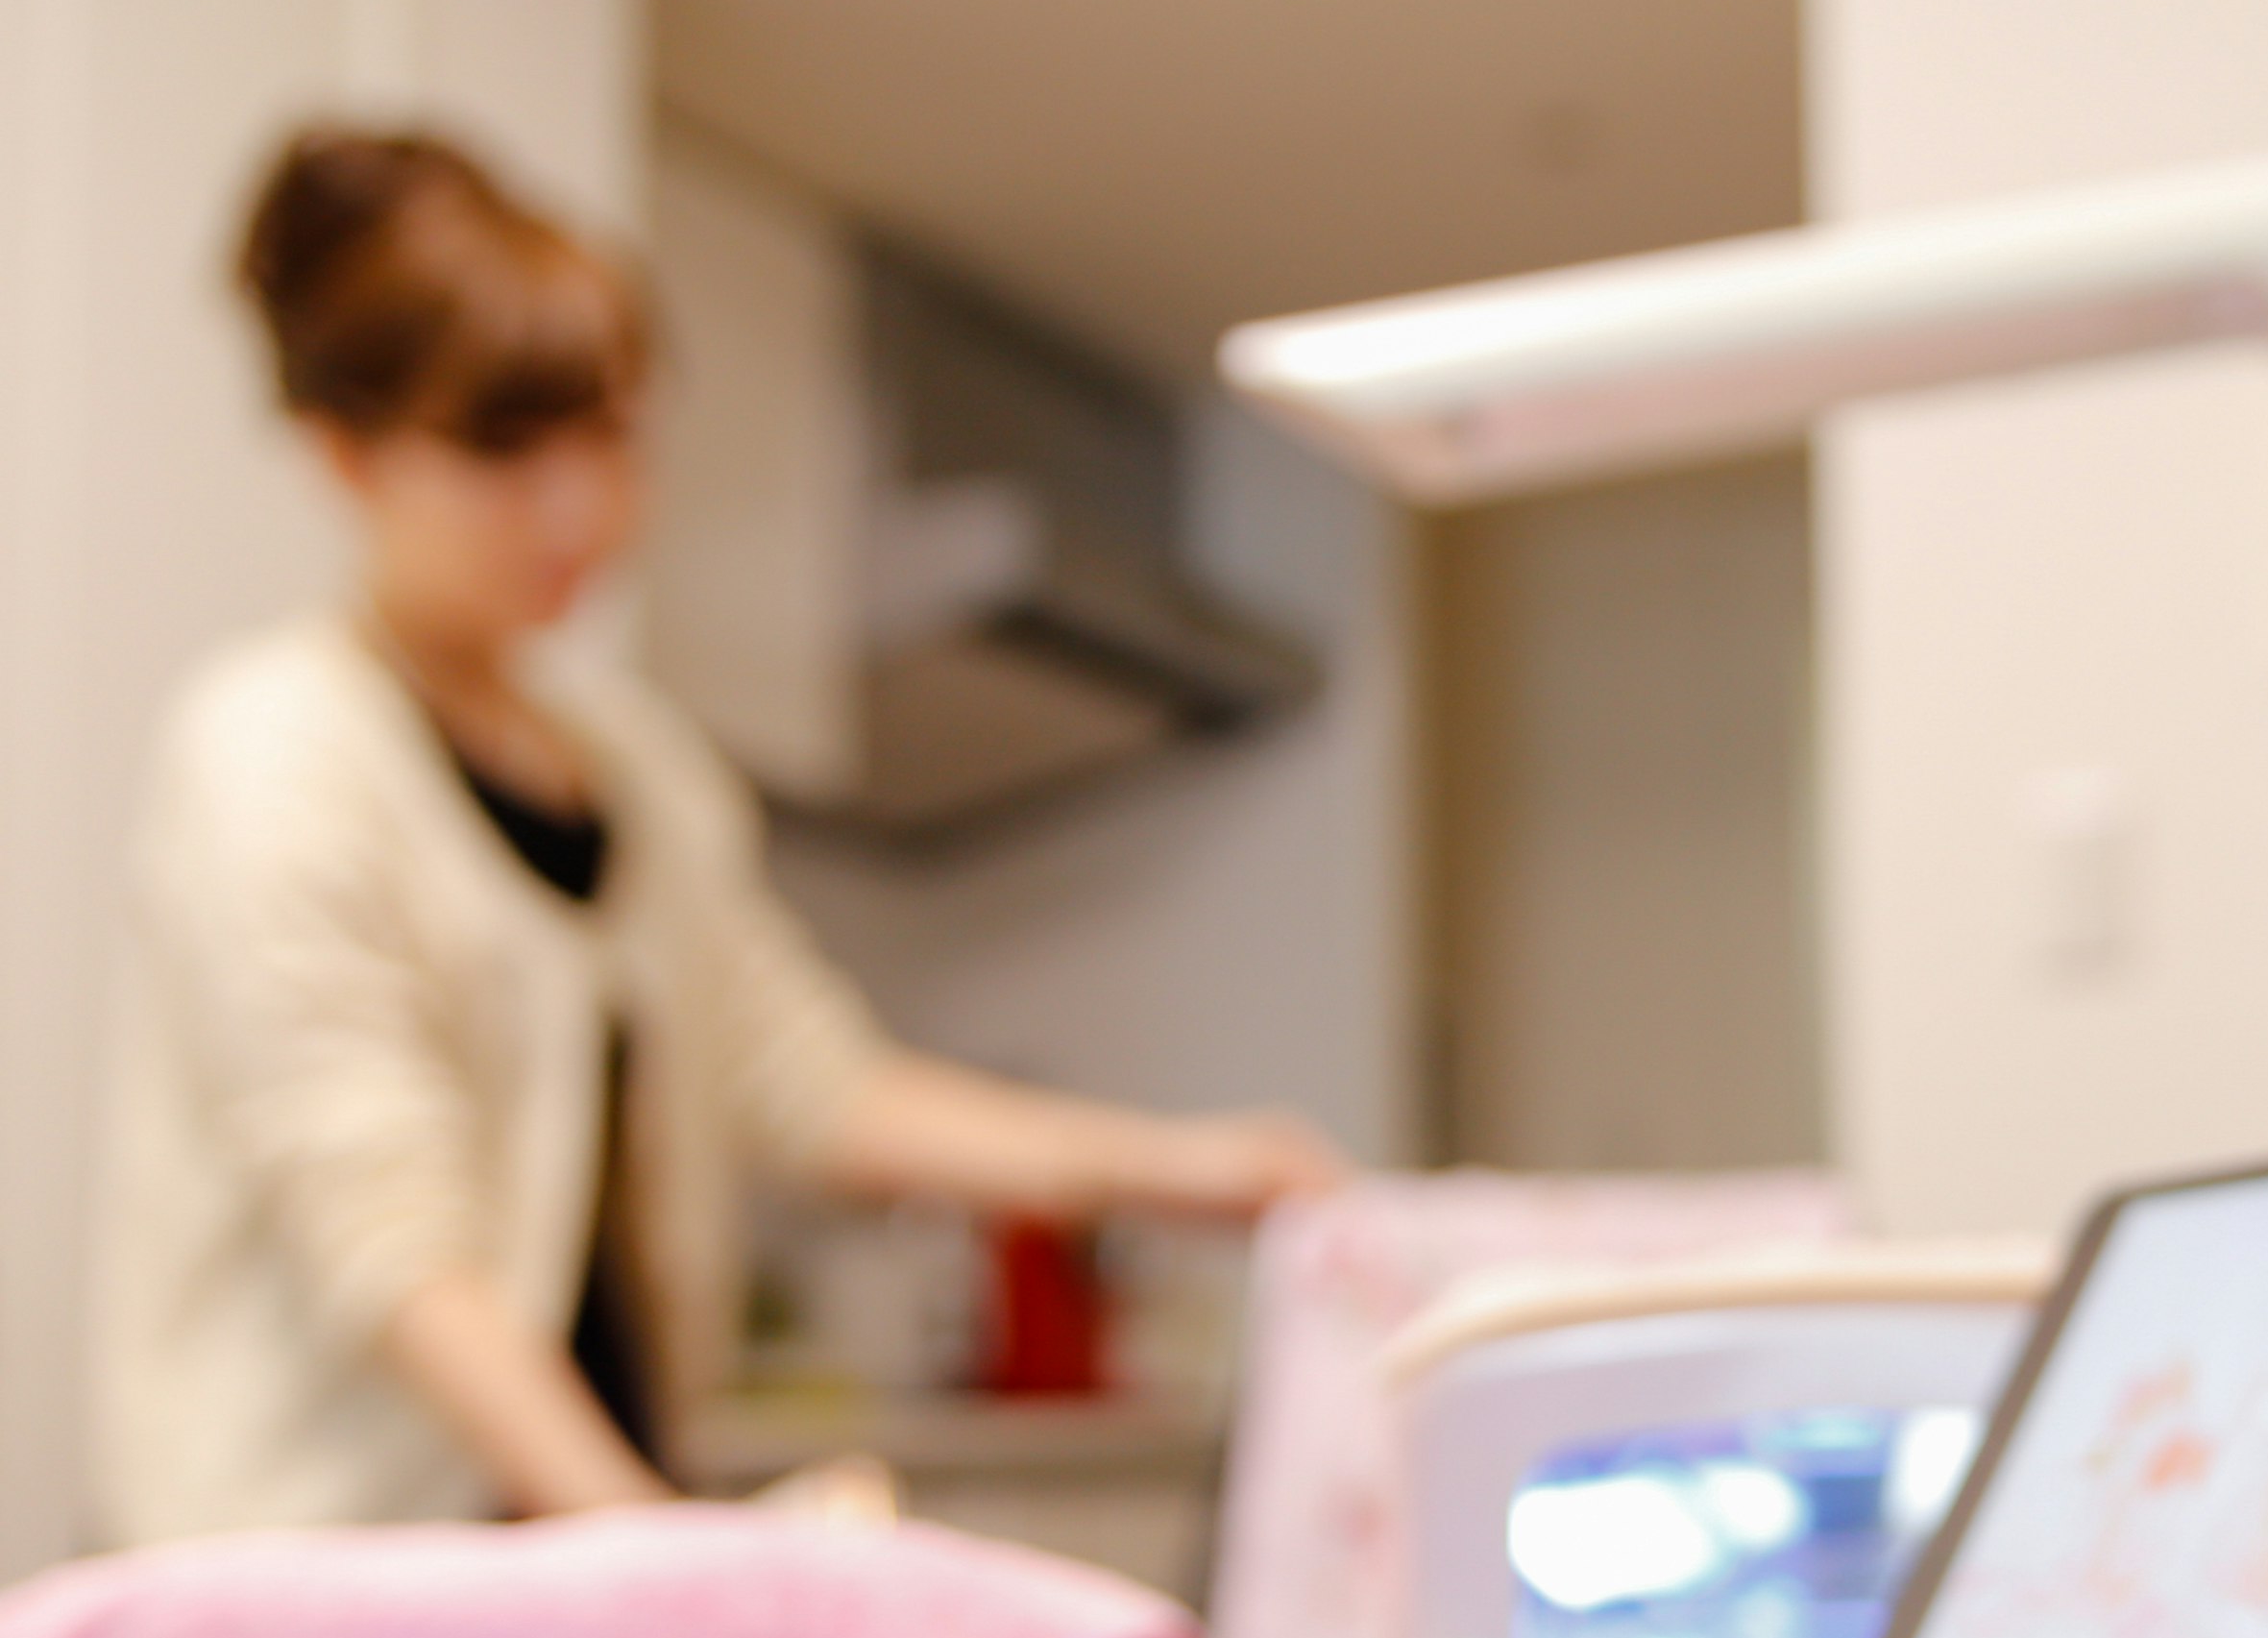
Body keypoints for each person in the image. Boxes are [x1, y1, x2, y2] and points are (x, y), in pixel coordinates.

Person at [92, 128, 1346, 1545]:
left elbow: (814, 1086)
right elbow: (394, 1249)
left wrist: (1183, 1170)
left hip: (571, 1571)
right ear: (344, 454)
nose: (580, 505)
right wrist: (659, 1552)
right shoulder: (276, 749)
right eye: (502, 449)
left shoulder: (640, 772)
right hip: (313, 1598)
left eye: (611, 437)